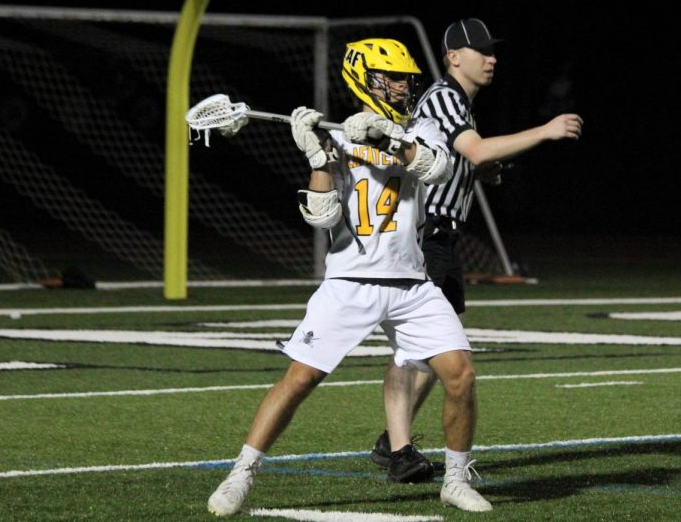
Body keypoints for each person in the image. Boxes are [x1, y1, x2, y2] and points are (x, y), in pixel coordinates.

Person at [207, 38, 492, 515]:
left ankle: (456, 480)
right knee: (299, 380)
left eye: (405, 77)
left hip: (411, 284)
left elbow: (436, 166)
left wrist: (386, 137)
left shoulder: (424, 127)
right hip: (350, 283)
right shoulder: (334, 136)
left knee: (460, 375)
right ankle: (241, 474)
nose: (403, 85)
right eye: (393, 77)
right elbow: (321, 217)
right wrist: (320, 159)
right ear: (366, 78)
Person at [370, 19, 584, 477]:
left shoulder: (458, 103)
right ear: (453, 57)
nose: (491, 58)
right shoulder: (446, 98)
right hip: (422, 237)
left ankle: (394, 438)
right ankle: (398, 448)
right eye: (480, 51)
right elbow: (477, 150)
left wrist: (479, 172)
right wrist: (543, 131)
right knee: (415, 345)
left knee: (436, 345)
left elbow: (461, 159)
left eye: (492, 51)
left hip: (440, 237)